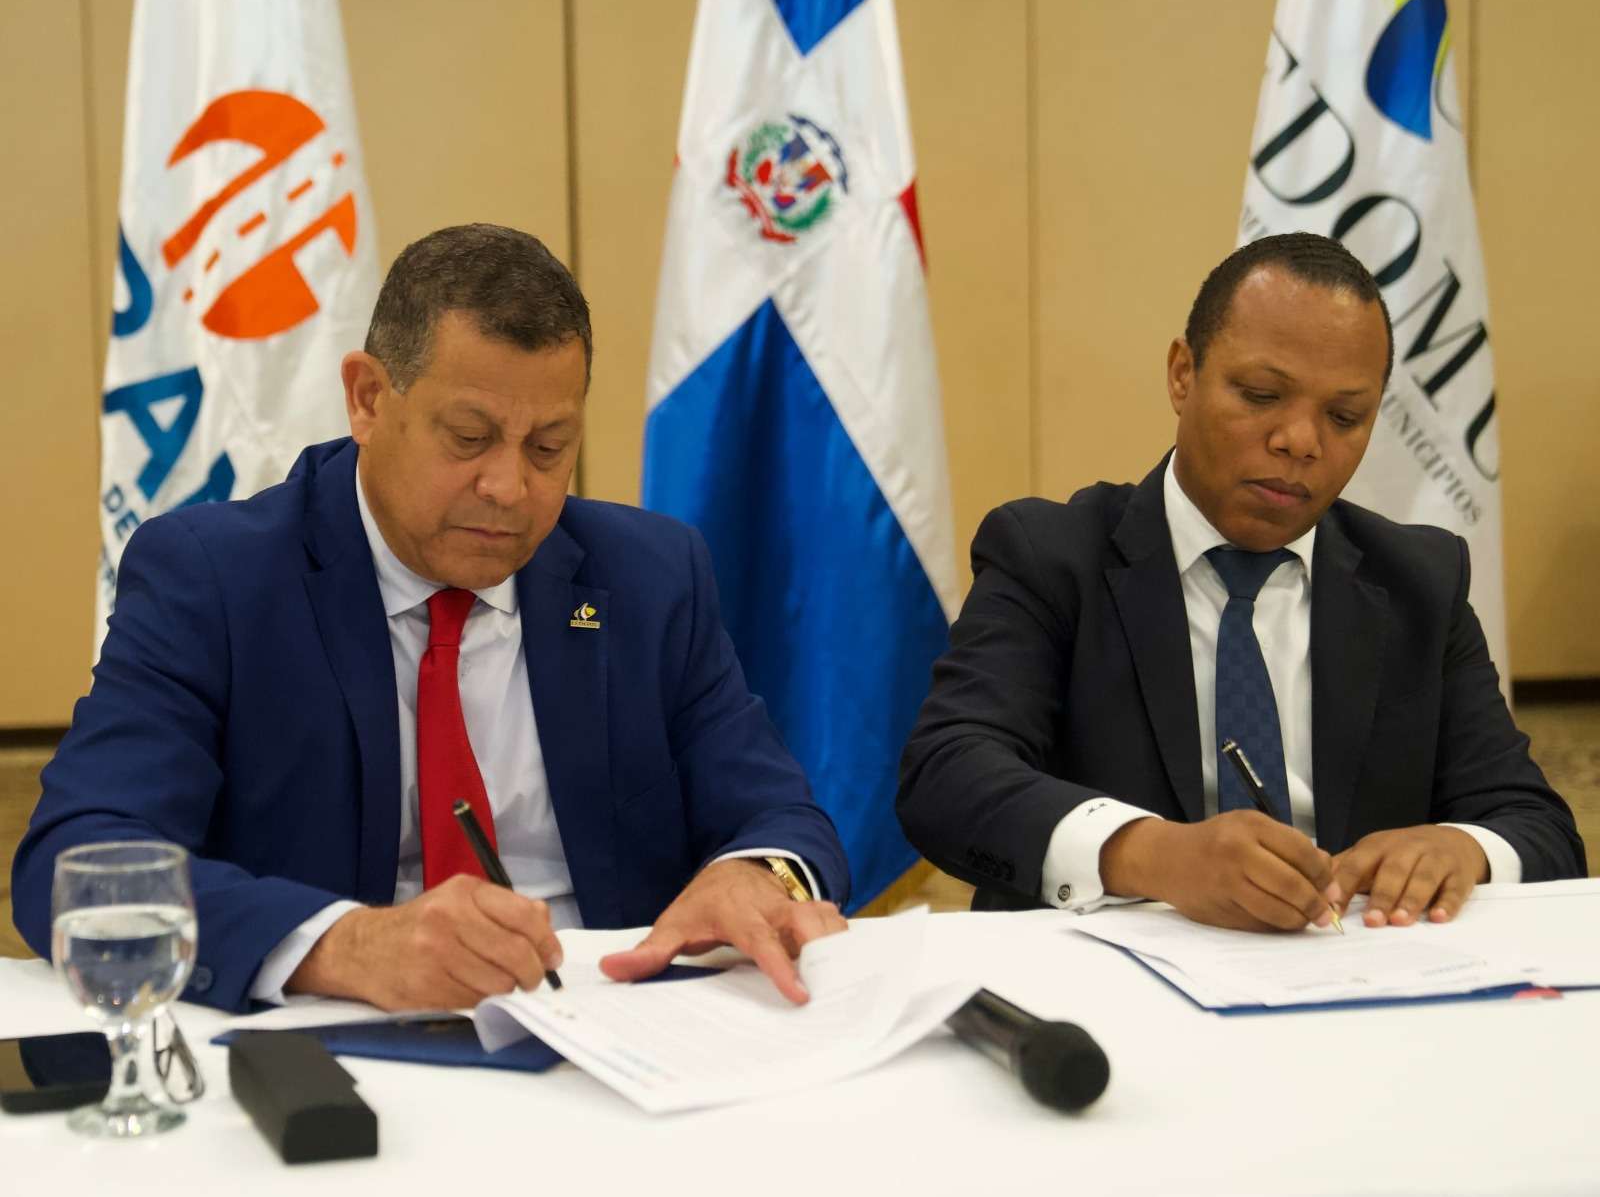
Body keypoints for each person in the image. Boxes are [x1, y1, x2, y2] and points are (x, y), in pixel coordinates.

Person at [14, 223, 849, 1014]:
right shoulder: (216, 580)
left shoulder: (649, 577)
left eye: (548, 446)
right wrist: (343, 945)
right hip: (330, 1043)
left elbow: (779, 818)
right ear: (368, 399)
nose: (509, 487)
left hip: (608, 1041)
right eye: (469, 437)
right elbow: (76, 861)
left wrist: (758, 875)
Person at [898, 232, 1584, 933]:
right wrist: (1150, 853)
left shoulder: (1420, 581)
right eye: (1262, 395)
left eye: (1344, 417)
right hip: (1110, 972)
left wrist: (1463, 847)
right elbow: (947, 776)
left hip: (1352, 973)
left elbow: (1538, 826)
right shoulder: (1050, 555)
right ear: (1182, 374)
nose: (1300, 440)